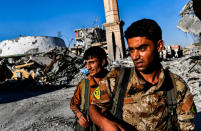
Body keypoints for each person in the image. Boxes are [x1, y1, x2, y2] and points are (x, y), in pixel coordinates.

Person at [89, 19, 197, 131]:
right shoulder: (117, 78)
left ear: (159, 46)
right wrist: (104, 123)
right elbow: (94, 106)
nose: (135, 56)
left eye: (141, 48)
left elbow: (186, 126)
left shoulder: (176, 86)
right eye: (131, 50)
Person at [70, 46, 119, 131]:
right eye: (86, 63)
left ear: (103, 61)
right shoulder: (83, 85)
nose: (88, 67)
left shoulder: (115, 82)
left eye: (92, 62)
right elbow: (73, 104)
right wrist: (80, 115)